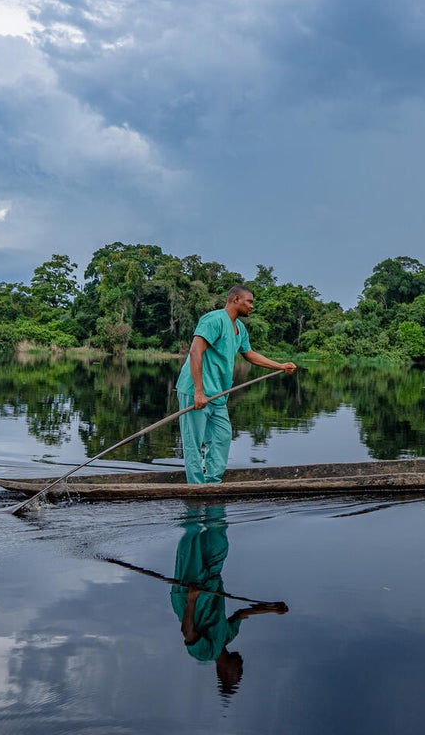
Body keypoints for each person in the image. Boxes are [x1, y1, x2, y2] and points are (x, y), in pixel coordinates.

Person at [176, 285, 296, 484]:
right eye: (249, 301)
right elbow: (195, 352)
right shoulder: (213, 320)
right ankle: (196, 487)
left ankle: (213, 482)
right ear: (236, 300)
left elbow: (249, 354)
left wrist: (280, 366)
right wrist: (198, 392)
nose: (252, 306)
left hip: (218, 395)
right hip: (195, 390)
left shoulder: (239, 328)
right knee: (193, 443)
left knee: (222, 438)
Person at [170, 504, 288, 697]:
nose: (241, 667)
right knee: (219, 538)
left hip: (190, 591)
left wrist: (192, 599)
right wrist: (272, 608)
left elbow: (188, 631)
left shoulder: (205, 653)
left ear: (224, 673)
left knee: (192, 535)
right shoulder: (228, 636)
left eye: (238, 672)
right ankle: (214, 498)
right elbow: (243, 614)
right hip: (211, 582)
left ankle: (193, 496)